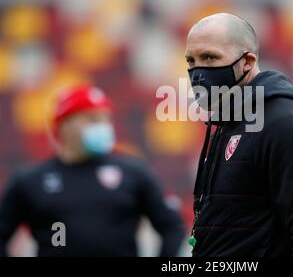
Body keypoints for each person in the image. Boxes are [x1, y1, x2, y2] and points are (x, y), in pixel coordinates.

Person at [185, 13, 293, 256]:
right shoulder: (230, 124)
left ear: (247, 61)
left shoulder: (287, 126)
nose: (198, 72)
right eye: (192, 61)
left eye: (210, 58)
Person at [0, 85, 185, 257]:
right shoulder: (30, 181)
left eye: (106, 119)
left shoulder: (133, 172)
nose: (103, 126)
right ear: (64, 125)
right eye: (92, 119)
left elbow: (172, 227)